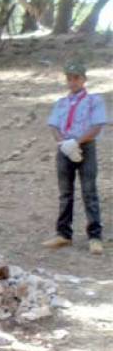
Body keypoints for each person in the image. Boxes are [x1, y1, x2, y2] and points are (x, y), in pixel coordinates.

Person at [43, 62, 106, 255]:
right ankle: (63, 234)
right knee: (65, 193)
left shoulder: (94, 100)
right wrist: (63, 143)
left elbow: (97, 126)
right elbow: (54, 125)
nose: (73, 82)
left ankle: (95, 236)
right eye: (69, 78)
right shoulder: (61, 102)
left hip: (85, 147)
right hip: (64, 148)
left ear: (84, 79)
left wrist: (76, 143)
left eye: (76, 78)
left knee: (89, 191)